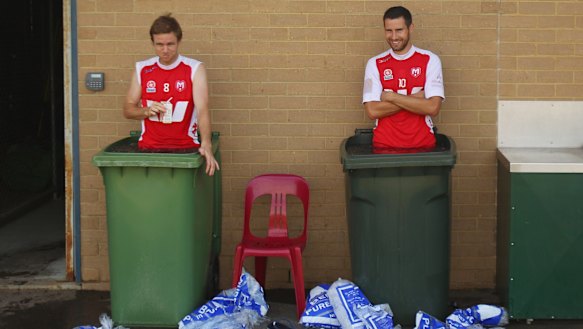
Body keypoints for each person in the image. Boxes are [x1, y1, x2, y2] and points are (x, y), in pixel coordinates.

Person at [123, 14, 219, 175]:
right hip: (149, 148)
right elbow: (128, 110)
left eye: (170, 44)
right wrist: (147, 110)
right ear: (152, 42)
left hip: (185, 148)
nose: (165, 50)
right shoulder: (142, 68)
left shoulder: (194, 68)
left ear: (179, 41)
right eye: (159, 44)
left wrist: (207, 144)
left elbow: (203, 110)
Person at [362, 6, 445, 150]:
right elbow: (372, 111)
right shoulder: (374, 63)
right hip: (384, 146)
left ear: (410, 28)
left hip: (423, 145)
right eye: (389, 30)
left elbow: (433, 107)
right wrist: (417, 98)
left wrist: (391, 97)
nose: (393, 37)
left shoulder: (430, 60)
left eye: (399, 30)